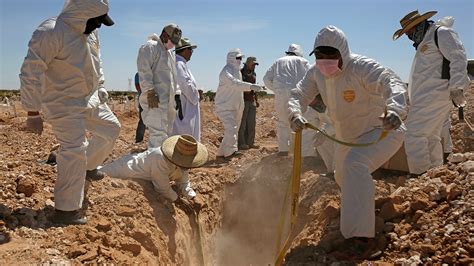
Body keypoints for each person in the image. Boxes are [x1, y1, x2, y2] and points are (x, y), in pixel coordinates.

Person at [289, 26, 407, 259]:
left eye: (330, 55)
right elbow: (298, 94)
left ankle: (360, 239)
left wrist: (395, 109)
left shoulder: (362, 67)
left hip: (381, 131)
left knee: (354, 165)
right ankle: (360, 209)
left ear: (342, 52)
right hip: (347, 138)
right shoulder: (315, 73)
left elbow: (390, 82)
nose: (325, 61)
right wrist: (294, 113)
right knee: (342, 175)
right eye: (320, 56)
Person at [19, 0, 121, 225]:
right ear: (82, 13)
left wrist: (101, 86)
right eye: (96, 21)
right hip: (63, 103)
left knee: (112, 129)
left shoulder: (90, 33)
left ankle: (88, 167)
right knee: (74, 149)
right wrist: (32, 112)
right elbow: (31, 71)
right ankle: (65, 210)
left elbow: (97, 61)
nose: (99, 26)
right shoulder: (51, 31)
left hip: (90, 99)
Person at [393, 10, 470, 175]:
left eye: (410, 31)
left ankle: (419, 175)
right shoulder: (425, 41)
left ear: (419, 25)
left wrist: (457, 87)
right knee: (430, 137)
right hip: (427, 96)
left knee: (413, 135)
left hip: (436, 95)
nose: (409, 36)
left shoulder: (440, 33)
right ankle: (435, 174)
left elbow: (458, 57)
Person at [100, 134, 207, 209]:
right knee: (98, 173)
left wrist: (192, 196)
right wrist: (178, 200)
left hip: (140, 171)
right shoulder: (160, 158)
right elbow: (162, 187)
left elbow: (183, 180)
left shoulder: (182, 163)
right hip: (126, 168)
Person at [137, 23, 182, 148]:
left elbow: (173, 76)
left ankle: (161, 161)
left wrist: (177, 95)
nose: (172, 44)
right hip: (154, 100)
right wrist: (150, 91)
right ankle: (155, 162)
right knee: (157, 134)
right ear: (164, 35)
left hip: (168, 101)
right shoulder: (150, 47)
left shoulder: (169, 53)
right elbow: (144, 71)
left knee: (166, 133)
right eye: (172, 40)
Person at [215, 48, 265, 160]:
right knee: (231, 128)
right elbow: (235, 84)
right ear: (231, 59)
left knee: (233, 129)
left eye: (240, 58)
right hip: (225, 106)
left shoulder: (237, 72)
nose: (239, 60)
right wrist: (251, 86)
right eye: (238, 58)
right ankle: (230, 152)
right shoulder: (226, 71)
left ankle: (221, 153)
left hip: (236, 106)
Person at [263, 44, 311, 156]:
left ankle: (283, 150)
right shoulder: (303, 61)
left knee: (282, 122)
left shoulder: (278, 61)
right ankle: (301, 152)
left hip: (280, 94)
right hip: (297, 94)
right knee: (300, 120)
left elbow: (266, 79)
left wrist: (277, 90)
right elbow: (312, 77)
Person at [171, 38, 201, 141]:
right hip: (184, 105)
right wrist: (196, 95)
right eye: (190, 50)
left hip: (185, 103)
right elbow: (185, 84)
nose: (191, 53)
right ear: (185, 50)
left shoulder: (180, 63)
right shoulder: (179, 64)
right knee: (184, 132)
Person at [301, 94, 335, 175]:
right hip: (334, 131)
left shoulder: (338, 102)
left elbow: (344, 123)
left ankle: (342, 172)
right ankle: (332, 171)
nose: (314, 105)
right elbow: (308, 130)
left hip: (353, 135)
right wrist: (306, 155)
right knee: (319, 140)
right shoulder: (313, 109)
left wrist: (325, 131)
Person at [238, 56, 260, 150]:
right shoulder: (241, 73)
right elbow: (240, 87)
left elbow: (254, 89)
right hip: (243, 100)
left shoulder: (254, 73)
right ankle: (241, 143)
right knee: (243, 123)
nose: (254, 66)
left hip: (252, 100)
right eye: (253, 64)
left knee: (251, 123)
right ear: (248, 63)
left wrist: (256, 100)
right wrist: (250, 88)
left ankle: (250, 142)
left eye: (255, 64)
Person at [134, 72, 146, 143]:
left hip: (151, 98)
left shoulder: (150, 73)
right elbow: (137, 86)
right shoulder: (138, 74)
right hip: (143, 99)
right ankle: (139, 140)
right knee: (142, 120)